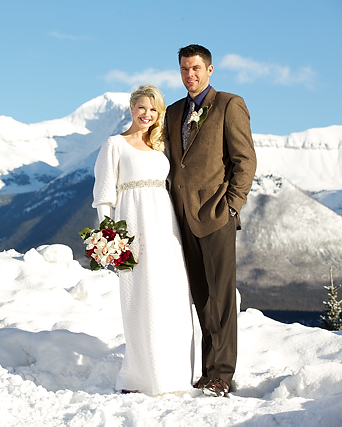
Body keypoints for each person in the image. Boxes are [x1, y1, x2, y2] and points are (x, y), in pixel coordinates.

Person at [164, 44, 257, 397]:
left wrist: (232, 207)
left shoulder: (229, 105)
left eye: (196, 68)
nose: (190, 74)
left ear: (210, 70)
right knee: (201, 297)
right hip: (182, 218)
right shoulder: (173, 112)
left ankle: (222, 374)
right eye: (185, 69)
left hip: (216, 216)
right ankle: (206, 371)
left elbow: (245, 161)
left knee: (221, 298)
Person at [93, 84, 195, 395]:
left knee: (172, 297)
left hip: (165, 227)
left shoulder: (160, 147)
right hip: (133, 225)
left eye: (153, 109)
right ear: (131, 108)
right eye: (142, 107)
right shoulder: (115, 144)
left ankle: (175, 374)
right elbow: (103, 195)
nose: (147, 114)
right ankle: (140, 377)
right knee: (139, 297)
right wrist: (110, 238)